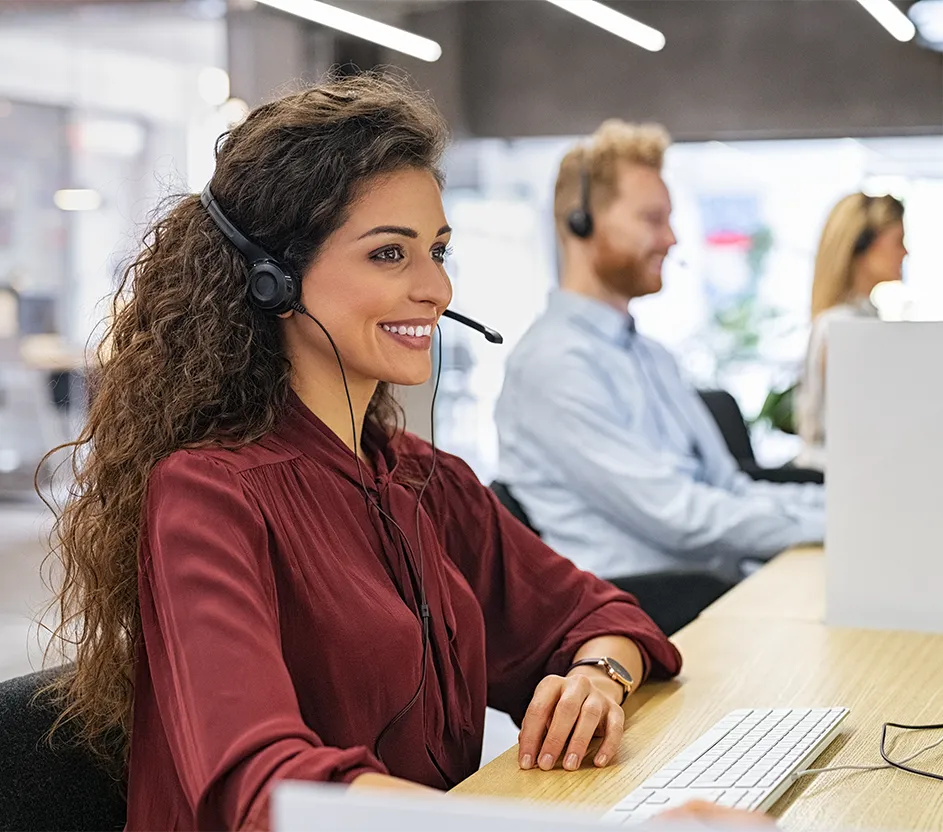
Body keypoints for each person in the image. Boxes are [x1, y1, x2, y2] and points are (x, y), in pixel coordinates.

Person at [34, 75, 781, 832]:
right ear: (274, 280)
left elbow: (601, 612)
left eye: (437, 250)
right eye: (390, 254)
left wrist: (597, 673)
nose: (435, 288)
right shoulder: (206, 495)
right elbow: (266, 791)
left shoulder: (424, 480)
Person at [495, 120, 825, 585]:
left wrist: (846, 512)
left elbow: (728, 488)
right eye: (652, 219)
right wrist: (834, 527)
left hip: (712, 588)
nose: (671, 239)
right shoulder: (553, 366)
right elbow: (680, 518)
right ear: (581, 222)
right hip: (641, 608)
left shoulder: (652, 357)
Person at [795, 193, 906, 471]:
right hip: (835, 477)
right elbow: (867, 428)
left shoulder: (861, 318)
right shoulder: (843, 327)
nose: (905, 252)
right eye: (898, 241)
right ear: (862, 245)